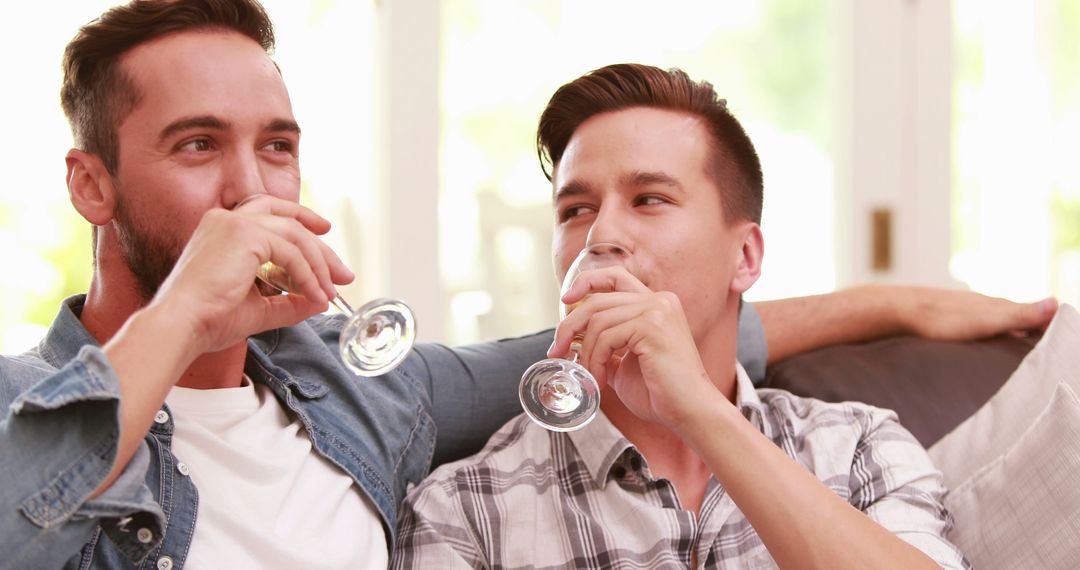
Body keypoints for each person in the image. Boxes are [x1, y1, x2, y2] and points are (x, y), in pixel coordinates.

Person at [0, 1, 1053, 568]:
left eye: (276, 148)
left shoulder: (374, 396)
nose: (248, 188)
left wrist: (902, 303)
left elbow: (673, 334)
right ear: (92, 186)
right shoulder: (15, 415)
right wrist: (183, 310)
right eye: (196, 147)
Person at [391, 64, 972, 569]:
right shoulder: (463, 511)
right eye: (576, 209)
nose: (601, 234)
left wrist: (699, 412)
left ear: (744, 257)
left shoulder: (856, 449)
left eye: (649, 199)